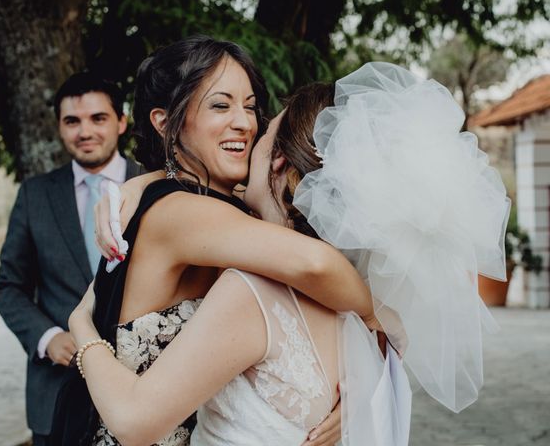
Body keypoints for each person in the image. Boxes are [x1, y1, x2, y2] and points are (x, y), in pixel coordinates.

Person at [84, 63, 509, 445]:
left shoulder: (253, 288)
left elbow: (135, 422)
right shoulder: (348, 308)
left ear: (277, 160)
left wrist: (79, 328)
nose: (248, 129)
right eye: (222, 106)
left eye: (258, 120)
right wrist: (145, 183)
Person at [55, 36, 375, 446]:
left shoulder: (224, 211)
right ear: (165, 122)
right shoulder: (184, 212)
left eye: (249, 106)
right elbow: (315, 264)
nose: (245, 122)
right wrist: (373, 316)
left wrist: (351, 384)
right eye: (220, 105)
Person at [0, 72, 143, 445]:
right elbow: (8, 286)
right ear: (60, 128)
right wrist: (48, 337)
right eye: (72, 121)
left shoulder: (154, 187)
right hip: (56, 395)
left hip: (143, 388)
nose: (84, 131)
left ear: (121, 122)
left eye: (98, 118)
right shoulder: (35, 195)